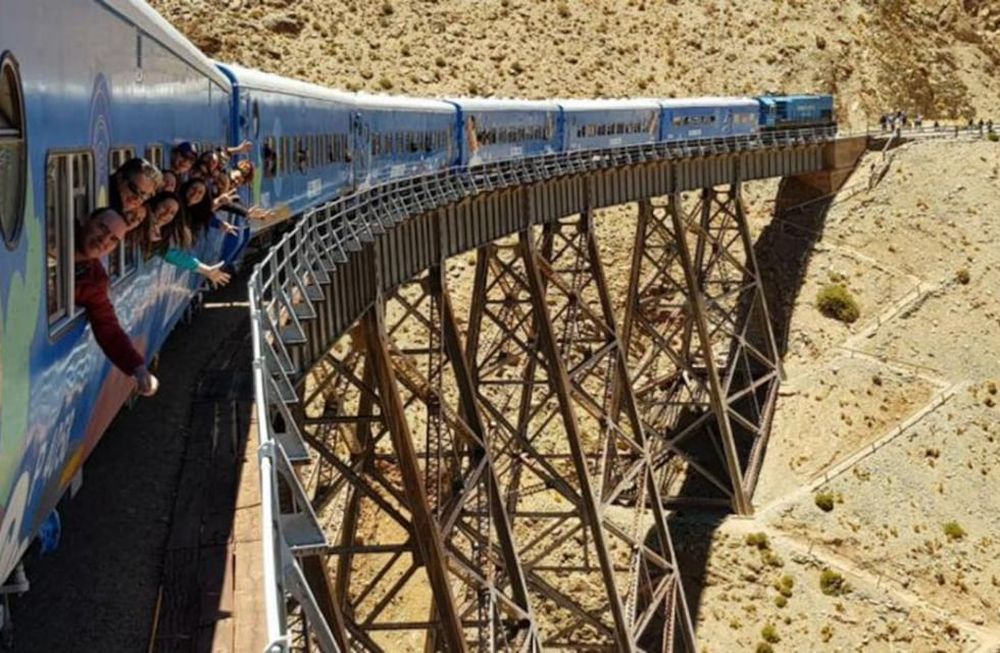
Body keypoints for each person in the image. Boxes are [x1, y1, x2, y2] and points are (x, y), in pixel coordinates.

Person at [75, 208, 159, 396]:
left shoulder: (95, 279)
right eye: (102, 228)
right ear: (86, 220)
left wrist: (138, 368)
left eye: (113, 240)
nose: (104, 240)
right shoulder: (53, 231)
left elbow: (108, 328)